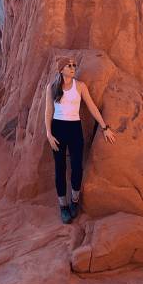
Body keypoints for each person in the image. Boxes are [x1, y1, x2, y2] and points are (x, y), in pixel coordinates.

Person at [45, 56, 116, 224]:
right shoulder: (51, 87)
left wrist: (104, 127)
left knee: (77, 166)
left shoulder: (80, 86)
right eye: (68, 66)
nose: (72, 68)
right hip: (58, 128)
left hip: (75, 128)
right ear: (61, 69)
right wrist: (49, 133)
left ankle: (75, 199)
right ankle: (63, 206)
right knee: (60, 168)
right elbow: (48, 110)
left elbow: (91, 106)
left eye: (73, 65)